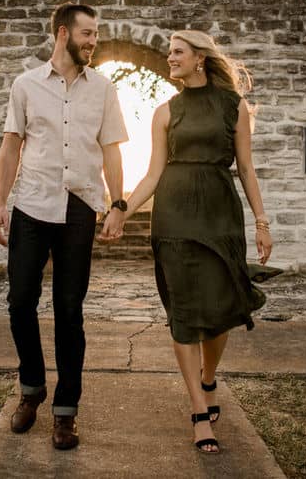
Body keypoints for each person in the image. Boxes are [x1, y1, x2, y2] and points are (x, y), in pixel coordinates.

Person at [100, 29, 272, 454]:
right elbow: (154, 173)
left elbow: (246, 169)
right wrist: (121, 207)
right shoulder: (165, 112)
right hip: (173, 216)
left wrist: (262, 222)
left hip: (219, 214)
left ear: (200, 59)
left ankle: (208, 376)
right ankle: (199, 409)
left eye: (178, 52)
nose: (170, 58)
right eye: (170, 52)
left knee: (221, 307)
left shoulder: (235, 107)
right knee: (184, 310)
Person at [0, 2, 128, 451]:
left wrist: (117, 204)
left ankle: (65, 412)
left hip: (79, 208)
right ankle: (32, 389)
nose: (95, 41)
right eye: (88, 33)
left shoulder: (103, 89)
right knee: (19, 302)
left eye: (97, 34)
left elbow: (111, 150)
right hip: (31, 204)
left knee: (70, 312)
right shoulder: (25, 85)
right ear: (64, 34)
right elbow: (11, 148)